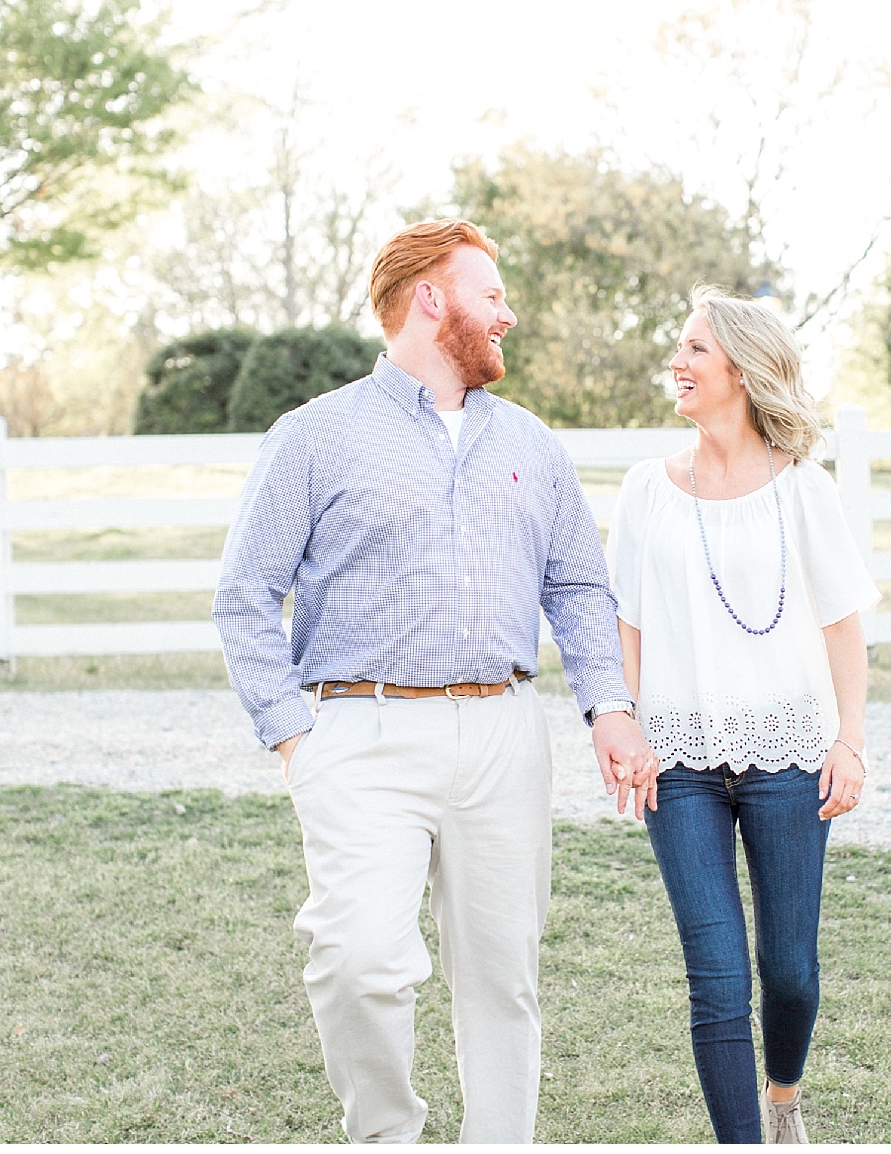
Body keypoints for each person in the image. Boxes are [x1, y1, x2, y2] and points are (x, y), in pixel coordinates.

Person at [212, 219, 658, 1144]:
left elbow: (576, 583)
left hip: (503, 733)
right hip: (359, 735)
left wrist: (609, 705)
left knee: (503, 978)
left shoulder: (532, 443)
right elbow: (245, 594)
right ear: (430, 298)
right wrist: (295, 735)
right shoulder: (315, 436)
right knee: (357, 961)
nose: (509, 313)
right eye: (491, 294)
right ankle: (387, 1135)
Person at [607, 286, 879, 1144]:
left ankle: (784, 1096)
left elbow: (843, 627)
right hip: (678, 759)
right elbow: (627, 625)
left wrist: (851, 743)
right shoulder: (647, 489)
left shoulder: (805, 490)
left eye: (695, 350)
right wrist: (624, 726)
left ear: (744, 369)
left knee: (789, 972)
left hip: (789, 755)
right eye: (679, 347)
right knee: (718, 975)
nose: (677, 364)